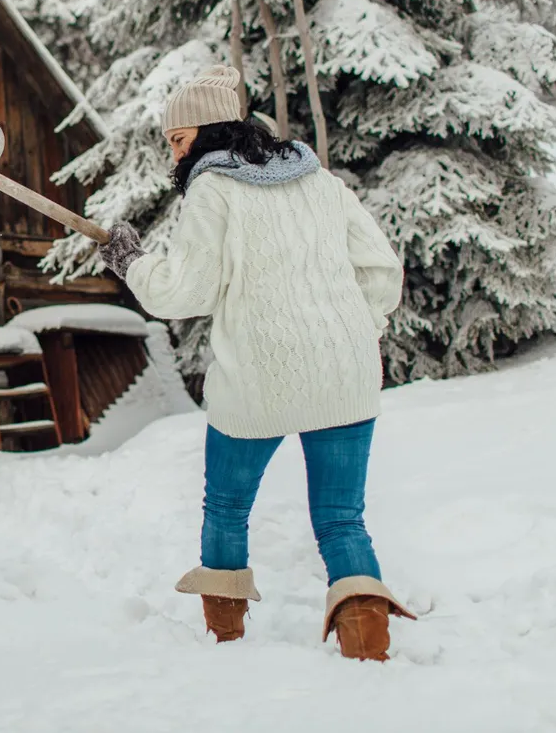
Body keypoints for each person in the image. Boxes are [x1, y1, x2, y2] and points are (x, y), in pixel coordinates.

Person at [98, 65, 416, 661]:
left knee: (226, 507)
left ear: (211, 131)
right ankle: (368, 650)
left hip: (258, 381)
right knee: (343, 520)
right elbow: (381, 270)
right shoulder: (322, 183)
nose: (174, 152)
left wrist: (132, 261)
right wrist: (356, 332)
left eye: (177, 138)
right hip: (346, 376)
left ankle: (226, 641)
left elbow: (184, 294)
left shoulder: (212, 189)